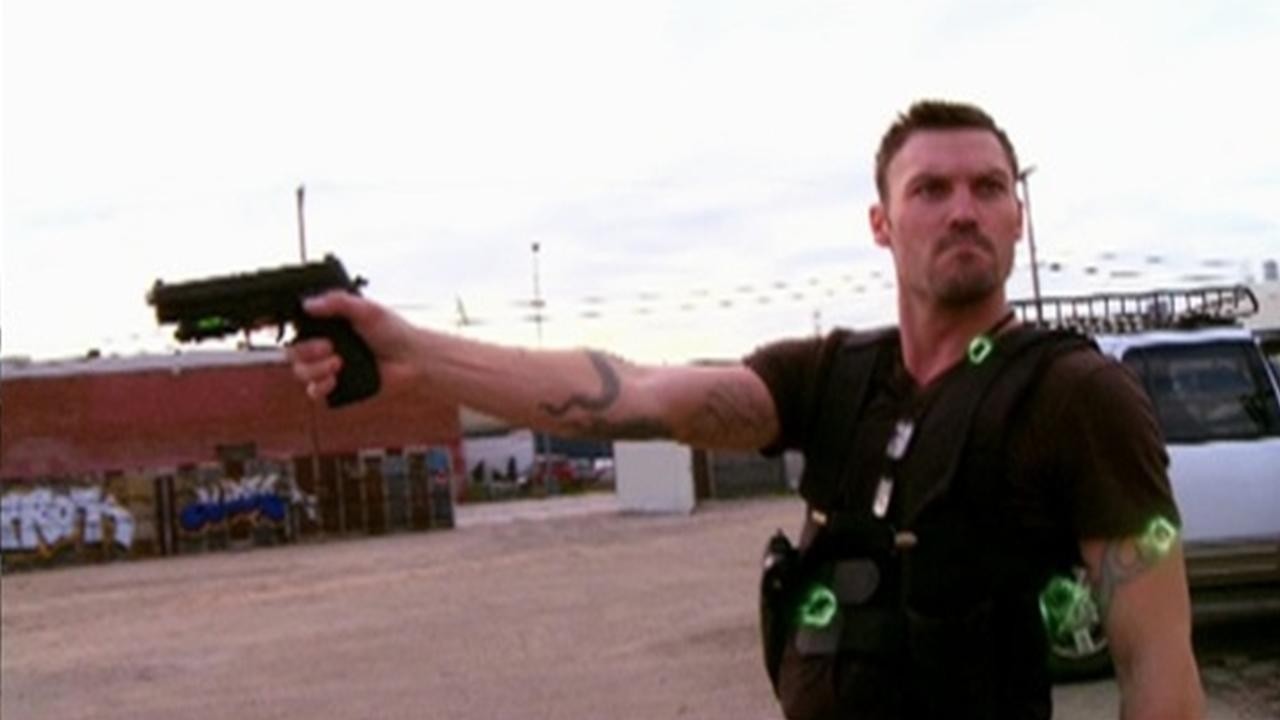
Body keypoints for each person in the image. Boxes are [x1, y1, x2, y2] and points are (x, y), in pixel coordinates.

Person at [287, 100, 1204, 719]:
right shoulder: (832, 376)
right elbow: (634, 395)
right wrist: (414, 353)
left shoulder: (1077, 395)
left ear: (1017, 219)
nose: (963, 210)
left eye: (989, 188)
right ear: (881, 224)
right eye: (930, 189)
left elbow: (1158, 666)